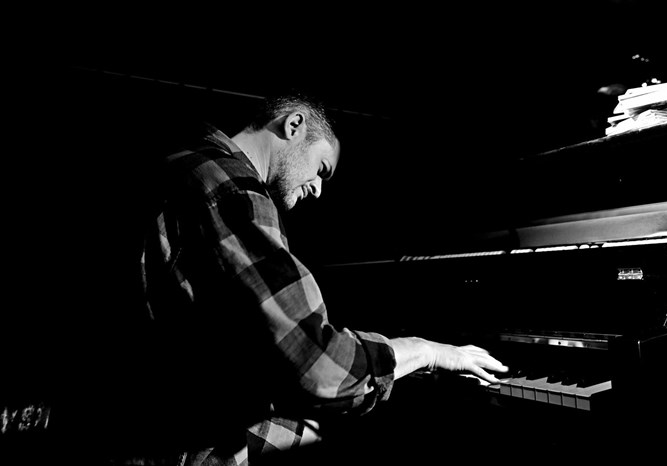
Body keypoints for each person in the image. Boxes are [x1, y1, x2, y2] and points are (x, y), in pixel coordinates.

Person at [129, 91, 508, 465]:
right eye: (322, 169)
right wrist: (426, 351)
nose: (318, 189)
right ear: (294, 125)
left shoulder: (179, 164)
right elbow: (321, 367)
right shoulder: (230, 188)